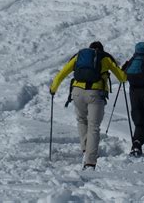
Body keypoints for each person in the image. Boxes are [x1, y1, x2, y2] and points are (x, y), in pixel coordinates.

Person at [50, 41, 126, 170]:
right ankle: (90, 162)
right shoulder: (105, 57)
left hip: (77, 93)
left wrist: (53, 88)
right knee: (94, 126)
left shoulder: (79, 56)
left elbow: (62, 73)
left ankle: (86, 148)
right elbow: (122, 77)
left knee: (81, 120)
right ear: (100, 49)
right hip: (95, 94)